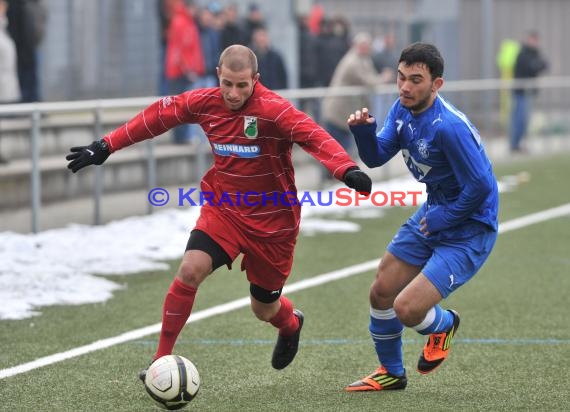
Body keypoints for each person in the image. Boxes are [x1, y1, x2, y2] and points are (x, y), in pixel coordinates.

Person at [65, 45, 372, 378]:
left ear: (256, 79)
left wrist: (345, 169)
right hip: (224, 210)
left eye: (242, 85)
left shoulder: (274, 110)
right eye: (227, 83)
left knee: (263, 307)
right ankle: (160, 361)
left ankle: (290, 323)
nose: (233, 93)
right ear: (218, 75)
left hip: (273, 222)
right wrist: (106, 145)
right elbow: (157, 116)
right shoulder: (205, 102)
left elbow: (313, 135)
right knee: (190, 270)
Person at [344, 42, 498, 392]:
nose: (405, 87)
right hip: (436, 211)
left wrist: (446, 218)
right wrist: (364, 132)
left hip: (470, 227)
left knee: (407, 309)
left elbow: (482, 188)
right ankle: (391, 372)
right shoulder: (401, 109)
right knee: (381, 290)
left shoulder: (448, 127)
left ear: (436, 84)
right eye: (401, 78)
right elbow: (377, 156)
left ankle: (442, 324)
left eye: (415, 80)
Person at [321, 32, 392, 157]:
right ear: (356, 45)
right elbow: (369, 81)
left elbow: (371, 76)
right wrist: (384, 78)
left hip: (346, 113)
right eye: (363, 45)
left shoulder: (364, 59)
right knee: (334, 150)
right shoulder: (352, 61)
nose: (366, 48)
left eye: (367, 45)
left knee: (341, 150)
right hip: (337, 112)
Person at [510, 31, 548, 153]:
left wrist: (536, 65)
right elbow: (530, 67)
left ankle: (519, 145)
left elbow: (544, 65)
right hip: (520, 92)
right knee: (519, 119)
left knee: (524, 120)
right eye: (532, 40)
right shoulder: (523, 53)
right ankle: (514, 145)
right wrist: (536, 65)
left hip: (529, 92)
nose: (534, 42)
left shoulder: (535, 53)